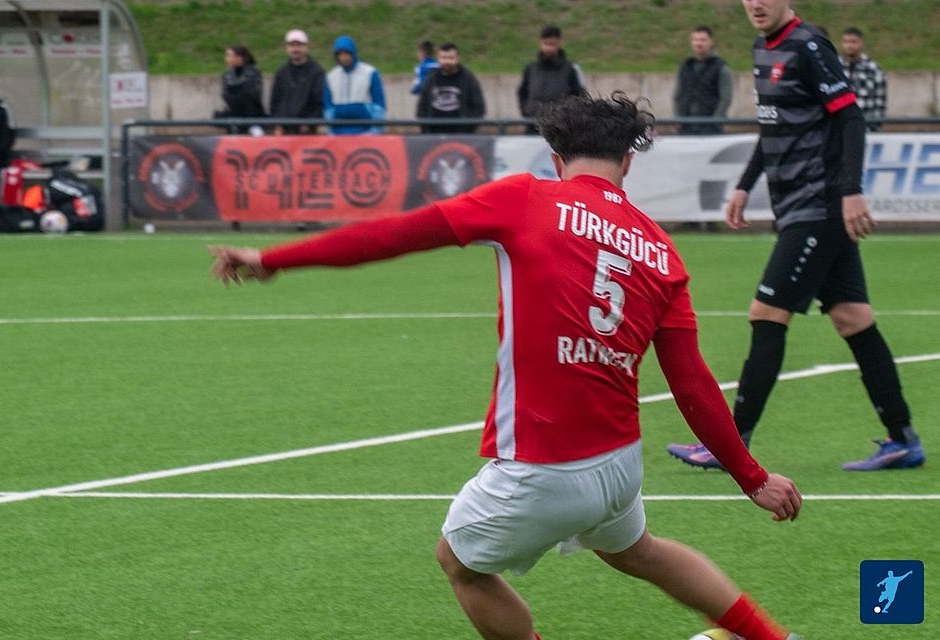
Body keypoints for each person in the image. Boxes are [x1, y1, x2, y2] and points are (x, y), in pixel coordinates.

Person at [209, 92, 803, 640]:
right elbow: (692, 382)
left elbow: (395, 234)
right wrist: (752, 478)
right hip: (618, 464)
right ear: (628, 161)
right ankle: (771, 637)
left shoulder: (525, 197)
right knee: (635, 550)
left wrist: (275, 258)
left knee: (460, 564)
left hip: (544, 465)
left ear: (555, 158)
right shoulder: (660, 248)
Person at [668, 0, 924, 472]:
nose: (757, 4)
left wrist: (851, 192)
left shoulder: (809, 46)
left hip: (819, 207)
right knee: (853, 318)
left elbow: (850, 117)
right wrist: (745, 185)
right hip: (796, 208)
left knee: (767, 312)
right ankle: (903, 438)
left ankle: (730, 443)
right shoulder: (763, 48)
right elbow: (773, 129)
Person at [517, 25, 585, 134]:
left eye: (552, 44)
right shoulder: (531, 68)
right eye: (546, 44)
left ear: (559, 43)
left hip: (560, 129)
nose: (549, 48)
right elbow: (522, 92)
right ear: (540, 43)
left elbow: (579, 96)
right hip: (532, 126)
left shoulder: (570, 69)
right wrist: (526, 111)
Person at [672, 26, 733, 135]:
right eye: (695, 40)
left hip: (711, 130)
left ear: (711, 41)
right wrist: (678, 118)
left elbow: (725, 98)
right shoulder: (685, 67)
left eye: (702, 40)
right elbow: (677, 96)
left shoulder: (721, 68)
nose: (698, 43)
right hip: (685, 128)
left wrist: (715, 122)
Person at [416, 42, 486, 134]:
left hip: (461, 136)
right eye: (443, 58)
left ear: (457, 58)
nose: (447, 61)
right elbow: (422, 106)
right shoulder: (431, 78)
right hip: (433, 137)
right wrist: (426, 130)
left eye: (451, 58)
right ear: (438, 59)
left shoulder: (468, 78)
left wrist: (467, 130)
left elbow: (478, 107)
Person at [323, 35, 386, 135]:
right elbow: (328, 106)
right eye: (340, 54)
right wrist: (331, 131)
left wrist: (375, 130)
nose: (343, 58)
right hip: (338, 133)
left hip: (365, 132)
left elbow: (379, 104)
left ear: (353, 53)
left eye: (346, 54)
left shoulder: (370, 73)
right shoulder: (331, 77)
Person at [269, 29, 326, 135]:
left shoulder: (317, 72)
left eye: (299, 45)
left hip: (307, 132)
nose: (295, 49)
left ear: (306, 47)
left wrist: (309, 124)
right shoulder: (281, 72)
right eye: (291, 45)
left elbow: (320, 102)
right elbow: (275, 102)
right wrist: (277, 124)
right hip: (284, 131)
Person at [840, 27, 887, 131]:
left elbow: (880, 100)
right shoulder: (836, 66)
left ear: (861, 43)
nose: (849, 45)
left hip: (866, 126)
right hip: (841, 126)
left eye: (853, 42)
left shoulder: (873, 68)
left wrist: (875, 126)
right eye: (846, 42)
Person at [213, 45, 265, 134]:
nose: (227, 59)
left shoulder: (253, 73)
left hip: (252, 118)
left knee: (257, 134)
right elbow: (226, 95)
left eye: (229, 56)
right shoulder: (227, 75)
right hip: (233, 117)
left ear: (239, 57)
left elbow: (252, 96)